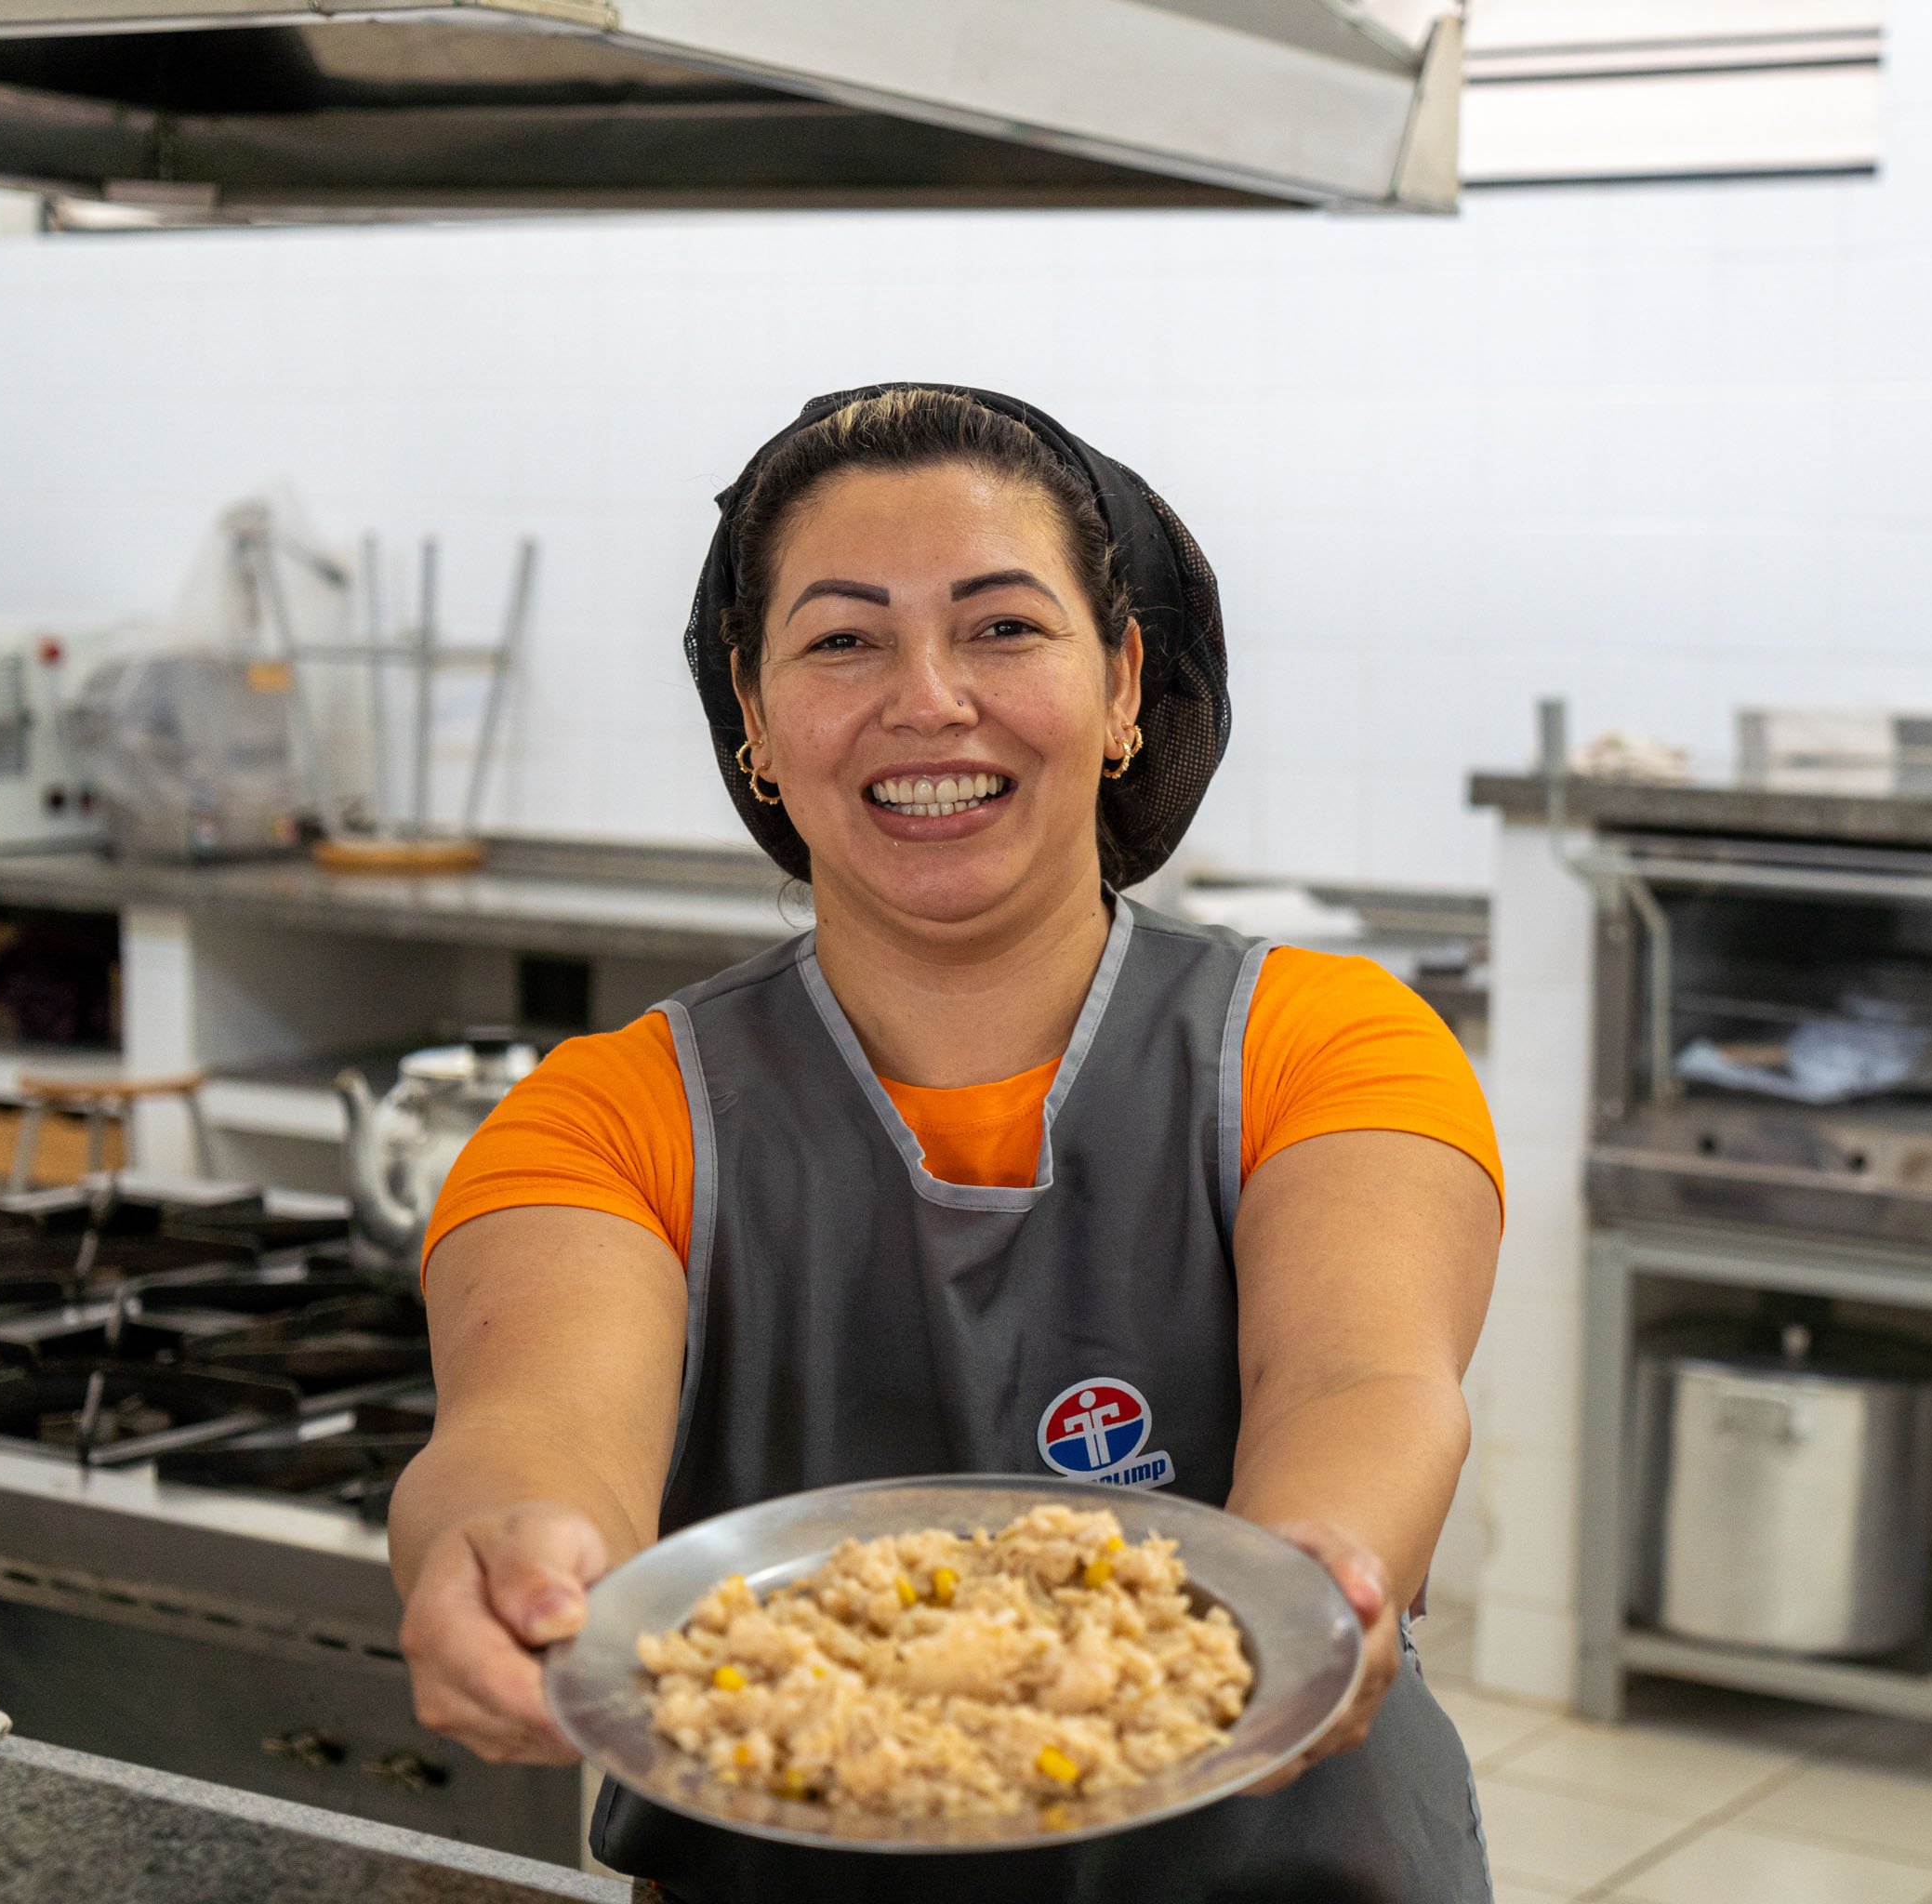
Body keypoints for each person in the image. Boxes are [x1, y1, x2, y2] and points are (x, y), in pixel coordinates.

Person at [387, 385, 1502, 1903]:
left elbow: (1363, 1376)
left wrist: (1310, 1583)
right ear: (757, 719)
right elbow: (536, 1437)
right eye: (843, 639)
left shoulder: (1324, 1041)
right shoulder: (609, 1115)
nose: (929, 699)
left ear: (1122, 687)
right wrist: (506, 1556)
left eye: (1002, 628)